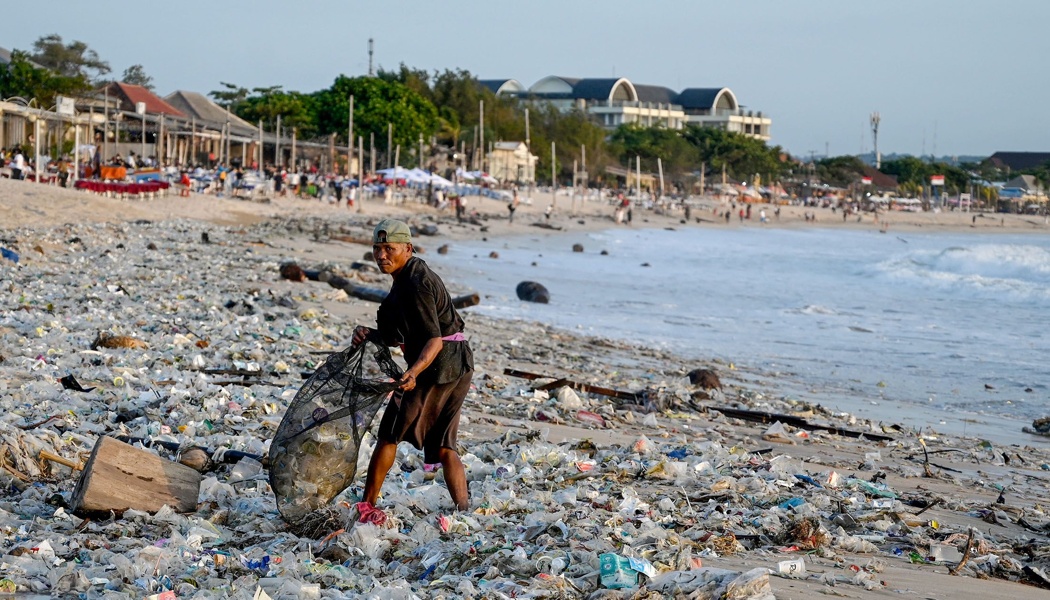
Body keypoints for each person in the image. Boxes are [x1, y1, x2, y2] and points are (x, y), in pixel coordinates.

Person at [351, 220, 474, 520]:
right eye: (377, 249)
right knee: (445, 443)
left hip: (437, 365)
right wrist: (369, 334)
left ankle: (367, 505)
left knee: (390, 433)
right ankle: (465, 511)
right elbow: (396, 336)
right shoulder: (404, 281)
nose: (381, 255)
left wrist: (414, 372)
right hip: (460, 363)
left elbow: (433, 339)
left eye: (389, 249)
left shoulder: (416, 283)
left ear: (407, 248)